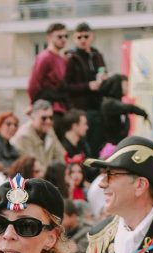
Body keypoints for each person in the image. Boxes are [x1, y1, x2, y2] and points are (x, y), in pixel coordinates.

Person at [66, 23, 107, 156]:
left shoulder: (97, 55)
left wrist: (103, 80)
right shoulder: (71, 58)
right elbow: (66, 86)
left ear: (92, 36)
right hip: (81, 110)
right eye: (79, 37)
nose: (83, 40)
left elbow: (103, 73)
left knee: (97, 144)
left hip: (97, 107)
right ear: (74, 38)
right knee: (85, 146)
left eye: (85, 36)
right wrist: (88, 86)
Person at [28, 23, 69, 113]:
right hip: (47, 107)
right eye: (59, 37)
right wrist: (33, 105)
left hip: (61, 106)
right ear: (49, 38)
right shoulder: (44, 57)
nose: (63, 39)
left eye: (66, 36)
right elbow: (34, 85)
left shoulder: (62, 59)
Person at [99, 74, 149, 147]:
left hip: (118, 143)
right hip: (111, 146)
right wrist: (143, 113)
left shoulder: (115, 102)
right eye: (126, 85)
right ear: (117, 85)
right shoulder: (109, 103)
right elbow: (129, 108)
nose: (127, 88)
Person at [11, 100, 64, 167]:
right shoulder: (24, 136)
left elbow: (61, 155)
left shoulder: (50, 131)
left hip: (45, 175)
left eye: (51, 118)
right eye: (43, 118)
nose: (48, 121)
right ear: (33, 117)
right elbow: (33, 167)